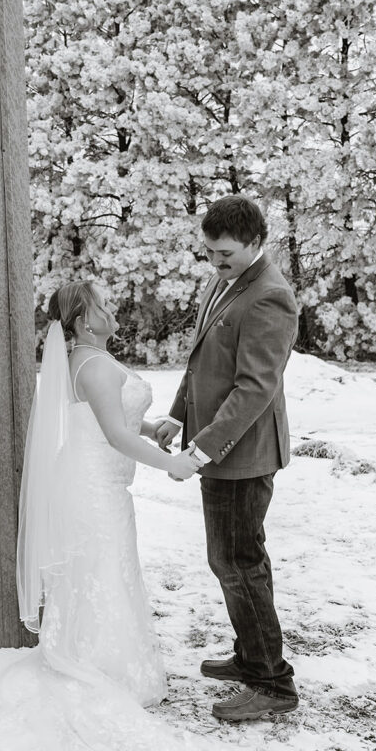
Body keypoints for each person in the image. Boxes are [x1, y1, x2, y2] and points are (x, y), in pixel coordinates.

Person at [16, 281, 198, 707]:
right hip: (92, 486)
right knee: (104, 574)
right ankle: (102, 670)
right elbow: (116, 436)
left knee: (106, 571)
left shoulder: (90, 357)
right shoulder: (93, 365)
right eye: (102, 305)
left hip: (100, 482)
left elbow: (101, 418)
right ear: (83, 321)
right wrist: (172, 464)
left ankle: (99, 659)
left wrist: (153, 428)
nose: (111, 308)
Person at [154, 194, 300, 723]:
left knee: (239, 564)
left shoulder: (270, 296)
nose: (214, 264)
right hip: (215, 446)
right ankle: (250, 656)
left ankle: (271, 683)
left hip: (242, 455)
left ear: (257, 242)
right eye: (210, 254)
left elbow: (254, 388)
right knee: (230, 561)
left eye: (225, 255)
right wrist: (175, 415)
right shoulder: (227, 280)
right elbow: (203, 364)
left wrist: (206, 446)